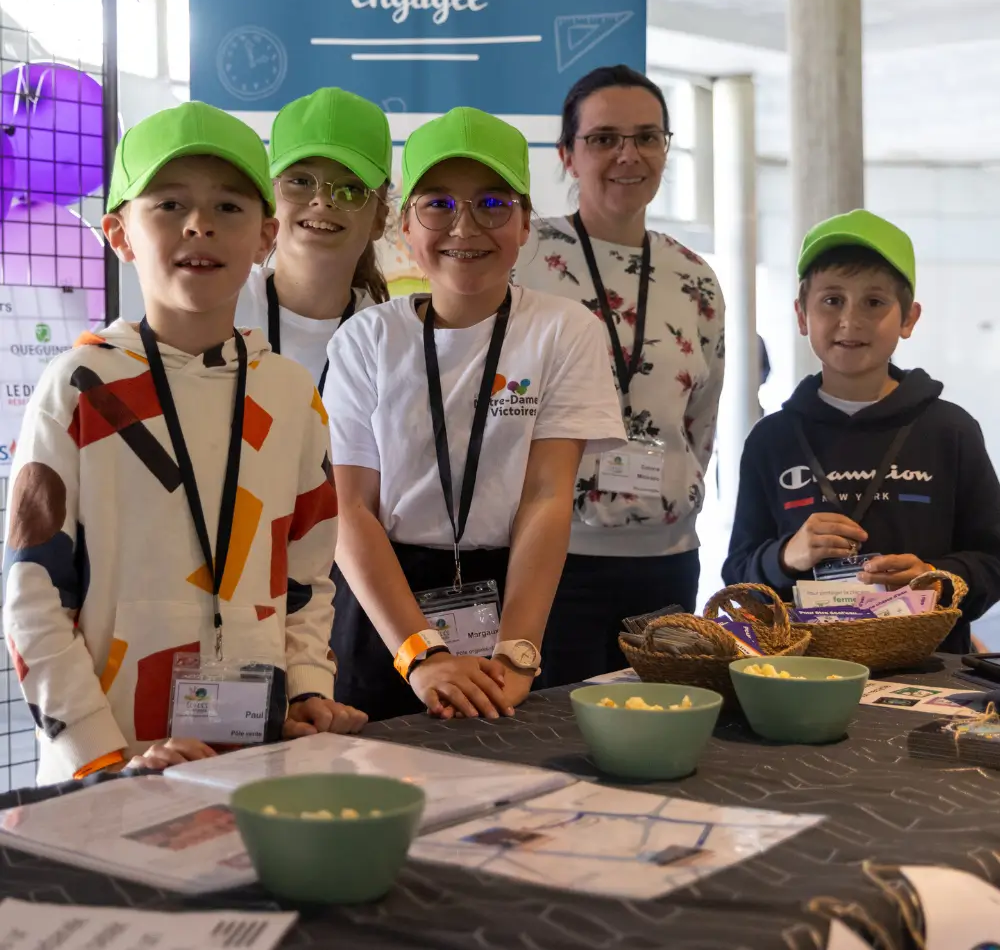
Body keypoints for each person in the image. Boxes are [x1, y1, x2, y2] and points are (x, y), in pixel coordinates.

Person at [3, 102, 365, 785]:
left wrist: (309, 687)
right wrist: (104, 755)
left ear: (265, 235)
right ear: (120, 234)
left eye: (229, 206)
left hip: (256, 751)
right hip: (108, 769)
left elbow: (307, 574)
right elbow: (34, 593)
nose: (199, 223)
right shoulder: (81, 385)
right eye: (169, 204)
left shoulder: (287, 392)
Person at [325, 107, 625, 722]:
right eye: (438, 204)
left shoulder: (564, 331)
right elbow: (349, 509)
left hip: (516, 594)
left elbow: (547, 495)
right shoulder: (365, 339)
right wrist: (419, 653)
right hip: (386, 603)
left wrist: (517, 652)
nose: (465, 226)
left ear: (524, 225)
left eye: (492, 204)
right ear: (406, 225)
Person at [513, 65, 725, 688]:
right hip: (550, 558)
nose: (627, 155)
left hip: (667, 560)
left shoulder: (695, 277)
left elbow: (700, 421)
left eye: (647, 137)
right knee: (547, 737)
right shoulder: (522, 259)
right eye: (604, 138)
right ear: (567, 155)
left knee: (654, 726)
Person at [722, 209, 1000, 652]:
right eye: (832, 300)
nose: (850, 320)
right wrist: (785, 557)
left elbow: (992, 560)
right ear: (801, 314)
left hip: (927, 674)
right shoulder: (771, 439)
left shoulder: (951, 430)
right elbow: (737, 572)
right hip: (803, 669)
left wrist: (936, 580)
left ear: (908, 318)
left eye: (874, 302)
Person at [236, 87, 391, 389]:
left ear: (379, 219)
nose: (322, 200)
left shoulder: (390, 340)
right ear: (269, 199)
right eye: (300, 181)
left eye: (351, 189)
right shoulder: (220, 309)